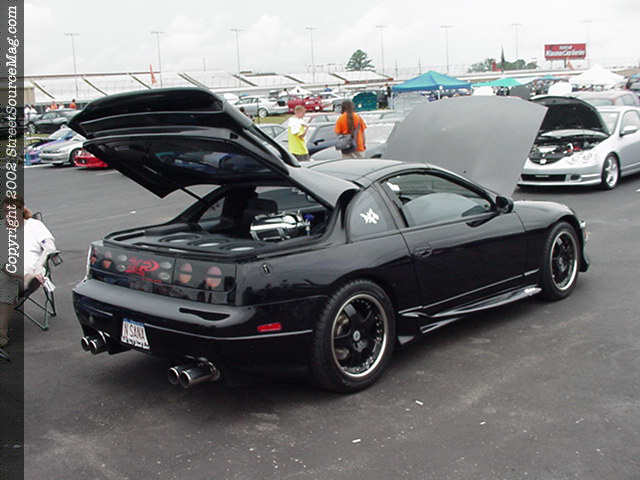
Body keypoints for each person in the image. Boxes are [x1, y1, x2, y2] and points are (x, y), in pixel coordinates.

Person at [0, 197, 56, 347]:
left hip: (29, 276)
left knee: (7, 282)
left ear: (21, 209)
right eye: (5, 212)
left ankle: (1, 335)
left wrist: (38, 268)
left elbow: (49, 248)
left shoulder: (34, 225)